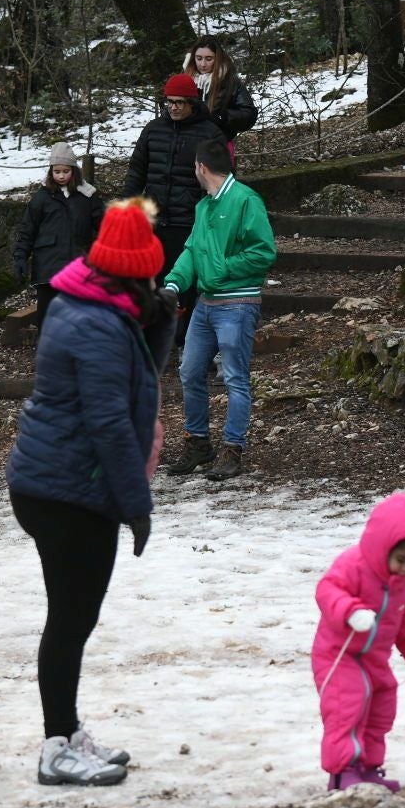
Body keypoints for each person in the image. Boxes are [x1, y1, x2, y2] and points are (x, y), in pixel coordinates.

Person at [6, 197, 178, 786]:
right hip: (66, 492)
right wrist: (138, 506)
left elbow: (141, 381)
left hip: (61, 484)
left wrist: (161, 320)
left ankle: (68, 730)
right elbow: (109, 422)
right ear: (134, 267)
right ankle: (57, 747)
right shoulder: (96, 324)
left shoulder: (94, 303)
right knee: (70, 619)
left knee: (75, 617)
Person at [162, 138, 277, 481]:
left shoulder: (245, 200)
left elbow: (264, 253)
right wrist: (172, 284)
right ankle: (199, 443)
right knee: (190, 371)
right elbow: (191, 252)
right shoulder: (205, 206)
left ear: (201, 167)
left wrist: (221, 268)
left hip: (238, 303)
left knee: (235, 377)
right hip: (205, 304)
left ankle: (232, 448)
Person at [312, 492, 405, 793]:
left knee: (381, 709)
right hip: (337, 656)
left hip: (374, 659)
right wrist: (350, 611)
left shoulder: (403, 582)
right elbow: (328, 590)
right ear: (383, 545)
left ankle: (368, 768)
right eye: (401, 560)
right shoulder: (353, 565)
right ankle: (343, 773)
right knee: (348, 709)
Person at [124, 72, 228, 344]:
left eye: (180, 102)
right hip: (155, 221)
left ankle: (188, 341)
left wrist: (216, 216)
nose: (174, 107)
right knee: (153, 282)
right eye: (170, 102)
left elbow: (220, 178)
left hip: (190, 223)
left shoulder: (209, 133)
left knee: (189, 283)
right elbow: (137, 171)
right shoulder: (153, 130)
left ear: (192, 102)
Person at [12, 143, 100, 332]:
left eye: (65, 171)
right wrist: (20, 256)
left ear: (74, 171)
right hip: (48, 266)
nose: (61, 176)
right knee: (48, 313)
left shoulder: (88, 196)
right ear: (51, 171)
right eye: (57, 171)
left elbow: (103, 226)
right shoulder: (41, 198)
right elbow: (28, 230)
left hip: (79, 263)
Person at [184, 36, 258, 151]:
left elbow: (248, 113)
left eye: (208, 59)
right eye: (199, 58)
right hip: (187, 145)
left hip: (219, 146)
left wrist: (223, 116)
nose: (203, 64)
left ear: (217, 58)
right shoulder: (185, 80)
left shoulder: (229, 82)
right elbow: (171, 106)